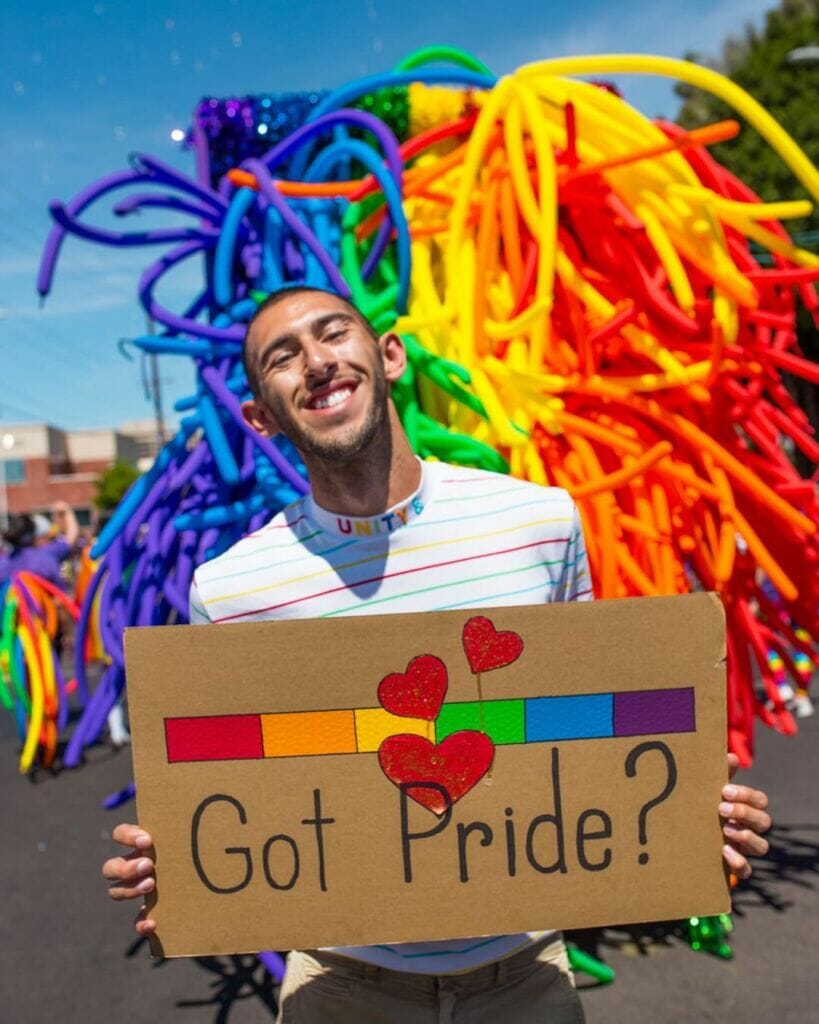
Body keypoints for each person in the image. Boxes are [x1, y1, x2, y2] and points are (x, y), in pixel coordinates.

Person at [102, 287, 772, 1023]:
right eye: (282, 358)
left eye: (332, 335)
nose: (317, 363)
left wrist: (690, 809)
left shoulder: (537, 523)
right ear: (262, 417)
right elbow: (235, 790)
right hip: (338, 988)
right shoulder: (232, 589)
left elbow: (593, 744)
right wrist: (170, 856)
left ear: (388, 356)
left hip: (524, 979)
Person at [0, 501, 80, 590]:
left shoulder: (3, 563)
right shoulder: (47, 554)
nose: (50, 541)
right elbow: (71, 537)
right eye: (48, 537)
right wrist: (67, 512)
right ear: (36, 536)